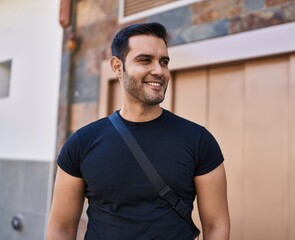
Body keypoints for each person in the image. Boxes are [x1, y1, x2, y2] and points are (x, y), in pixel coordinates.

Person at [46, 22, 230, 240]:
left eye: (164, 62)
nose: (159, 71)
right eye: (145, 60)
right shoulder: (81, 143)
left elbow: (216, 225)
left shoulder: (199, 140)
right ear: (117, 66)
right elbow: (61, 229)